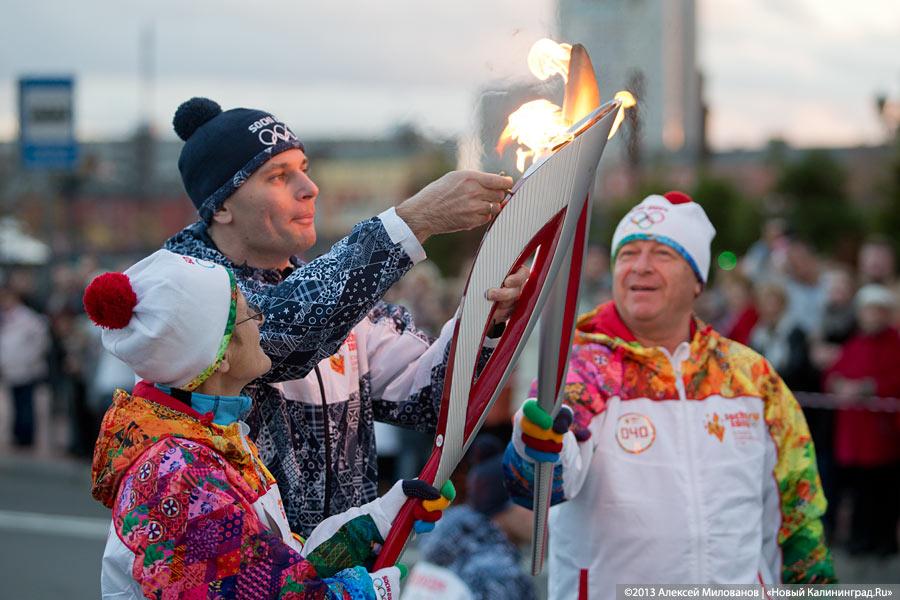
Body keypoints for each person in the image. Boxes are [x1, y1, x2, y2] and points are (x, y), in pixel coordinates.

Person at [162, 97, 525, 536]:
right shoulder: (180, 291)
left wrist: (487, 316)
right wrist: (414, 220)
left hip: (341, 574)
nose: (308, 188)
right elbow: (275, 336)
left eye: (304, 168)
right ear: (220, 206)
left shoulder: (338, 301)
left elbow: (432, 397)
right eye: (278, 177)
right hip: (237, 570)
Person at [504, 192, 835, 599]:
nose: (640, 266)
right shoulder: (582, 370)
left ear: (698, 279)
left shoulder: (751, 378)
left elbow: (799, 513)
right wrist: (536, 445)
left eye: (662, 253)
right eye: (628, 254)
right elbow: (538, 485)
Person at [85, 250, 454, 599]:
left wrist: (378, 519)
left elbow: (282, 566)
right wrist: (364, 592)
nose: (262, 319)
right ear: (221, 354)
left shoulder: (210, 440)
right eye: (248, 313)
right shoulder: (180, 477)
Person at [404, 438, 535, 600]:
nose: (541, 513)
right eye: (529, 501)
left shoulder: (444, 546)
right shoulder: (498, 574)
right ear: (499, 506)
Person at [824, 284, 900, 556]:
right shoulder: (854, 343)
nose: (872, 316)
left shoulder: (895, 343)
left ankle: (883, 541)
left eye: (878, 311)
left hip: (882, 434)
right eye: (868, 311)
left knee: (884, 491)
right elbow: (833, 373)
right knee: (856, 491)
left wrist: (868, 387)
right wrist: (838, 383)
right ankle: (859, 538)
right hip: (853, 434)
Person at [0, 287, 50, 447]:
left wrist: (30, 359)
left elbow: (40, 340)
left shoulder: (27, 317)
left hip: (27, 368)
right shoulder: (5, 317)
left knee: (26, 403)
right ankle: (17, 434)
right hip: (11, 368)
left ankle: (26, 437)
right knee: (15, 403)